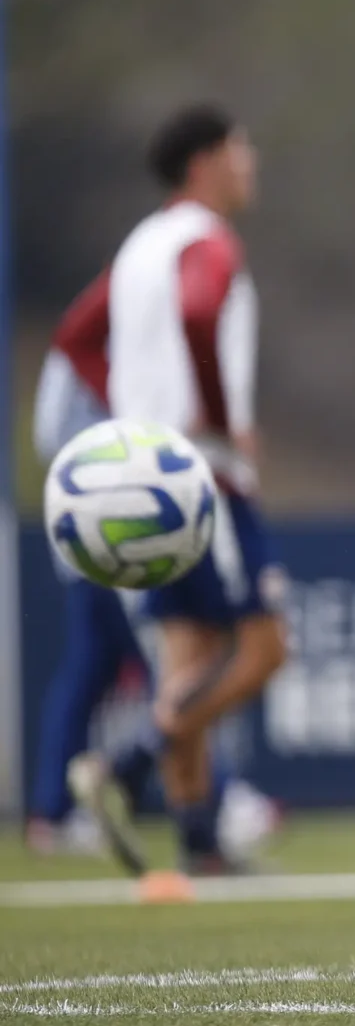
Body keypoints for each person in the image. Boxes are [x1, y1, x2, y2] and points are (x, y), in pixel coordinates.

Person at [68, 104, 288, 878]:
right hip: (204, 474)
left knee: (190, 655)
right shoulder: (206, 240)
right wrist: (219, 418)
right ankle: (125, 767)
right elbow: (200, 312)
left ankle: (198, 841)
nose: (250, 160)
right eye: (240, 146)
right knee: (262, 649)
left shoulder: (139, 247)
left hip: (142, 472)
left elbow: (75, 337)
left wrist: (129, 419)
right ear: (205, 161)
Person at [25, 270, 137, 855]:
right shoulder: (80, 355)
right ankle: (215, 797)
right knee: (167, 656)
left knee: (90, 668)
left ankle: (53, 809)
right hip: (105, 530)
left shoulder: (124, 351)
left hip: (101, 527)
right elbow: (50, 439)